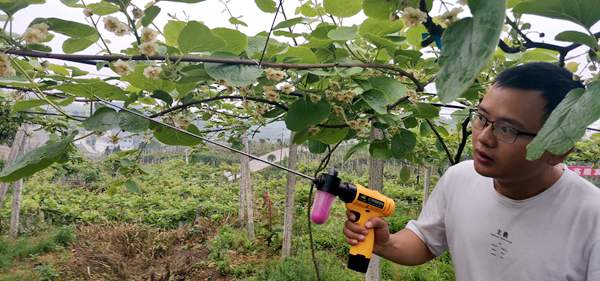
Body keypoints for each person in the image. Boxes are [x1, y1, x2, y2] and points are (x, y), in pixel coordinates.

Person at [343, 62, 600, 281]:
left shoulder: (592, 217)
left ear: (558, 148)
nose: (484, 138)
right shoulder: (460, 178)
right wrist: (387, 243)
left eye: (507, 129)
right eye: (482, 118)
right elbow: (424, 240)